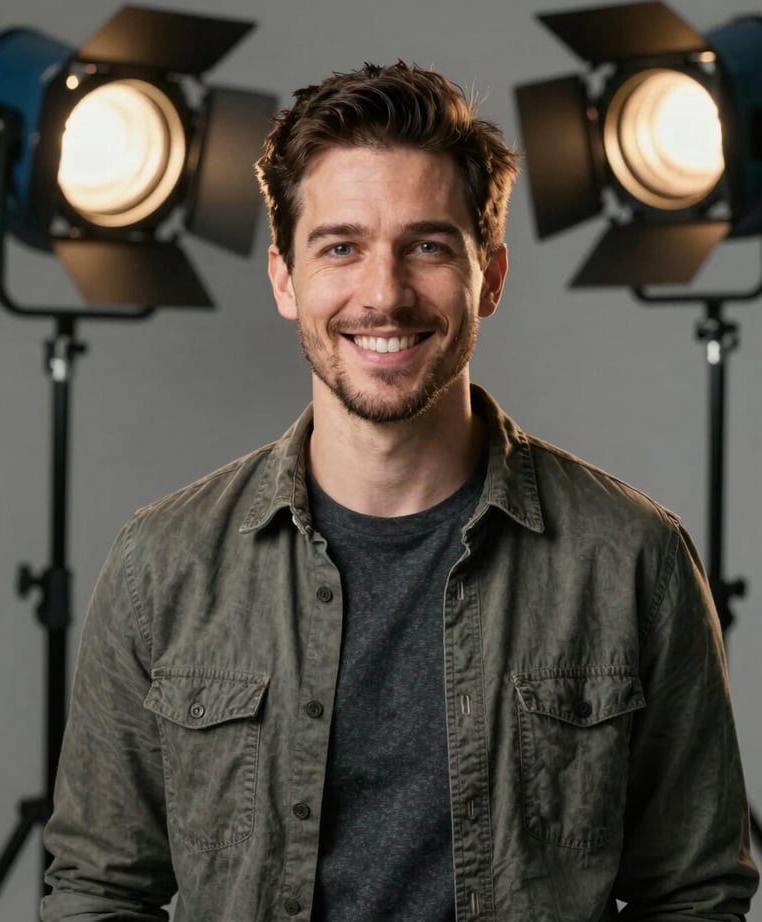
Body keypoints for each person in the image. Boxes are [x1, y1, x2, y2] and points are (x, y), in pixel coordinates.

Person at [42, 61, 758, 921]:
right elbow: (98, 890)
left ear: (489, 277)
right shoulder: (165, 563)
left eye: (427, 246)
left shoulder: (630, 556)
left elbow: (694, 894)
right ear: (283, 278)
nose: (383, 294)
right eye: (340, 246)